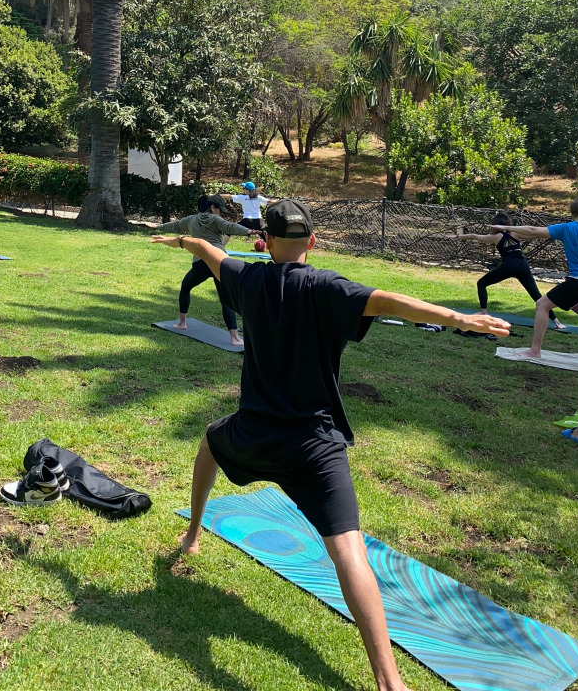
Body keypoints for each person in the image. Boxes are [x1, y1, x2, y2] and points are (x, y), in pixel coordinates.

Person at [152, 199, 509, 691]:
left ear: (265, 243)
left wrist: (179, 240)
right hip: (315, 446)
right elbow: (390, 302)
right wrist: (457, 317)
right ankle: (390, 682)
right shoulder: (328, 287)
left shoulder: (246, 278)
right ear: (313, 242)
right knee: (348, 550)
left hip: (254, 433)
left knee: (211, 442)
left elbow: (207, 250)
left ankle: (192, 536)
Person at [489, 197, 578, 358]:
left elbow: (532, 230)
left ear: (572, 212)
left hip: (576, 281)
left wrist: (506, 227)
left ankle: (535, 350)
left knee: (542, 305)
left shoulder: (565, 228)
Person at [154, 194, 259, 346]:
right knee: (225, 299)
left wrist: (157, 227)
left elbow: (174, 226)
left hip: (200, 263)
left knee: (186, 286)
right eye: (220, 210)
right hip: (218, 261)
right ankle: (235, 338)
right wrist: (248, 231)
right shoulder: (215, 219)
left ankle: (182, 323)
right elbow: (230, 227)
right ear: (212, 207)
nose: (220, 213)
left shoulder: (191, 219)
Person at [444, 212, 563, 328]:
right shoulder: (515, 233)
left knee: (481, 283)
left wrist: (456, 236)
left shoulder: (496, 237)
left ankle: (483, 312)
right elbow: (535, 234)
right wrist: (553, 232)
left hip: (508, 266)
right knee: (536, 294)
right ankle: (557, 322)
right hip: (522, 265)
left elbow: (475, 236)